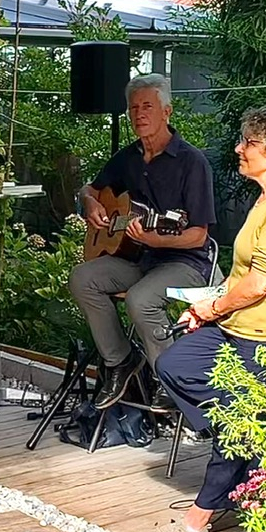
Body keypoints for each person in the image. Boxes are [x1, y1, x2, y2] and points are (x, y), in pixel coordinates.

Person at [136, 104, 266, 532]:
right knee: (176, 365)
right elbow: (243, 276)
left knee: (239, 423)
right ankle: (247, 459)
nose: (239, 148)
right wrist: (207, 309)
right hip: (238, 327)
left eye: (249, 142)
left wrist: (211, 308)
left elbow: (258, 285)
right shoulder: (265, 198)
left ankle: (195, 525)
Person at [69, 73, 216, 410]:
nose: (139, 114)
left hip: (186, 263)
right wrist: (89, 202)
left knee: (140, 299)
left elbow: (198, 234)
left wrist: (155, 237)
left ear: (167, 111)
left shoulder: (192, 162)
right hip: (141, 259)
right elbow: (90, 189)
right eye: (133, 108)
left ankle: (170, 379)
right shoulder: (128, 158)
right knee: (83, 277)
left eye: (147, 106)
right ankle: (121, 361)